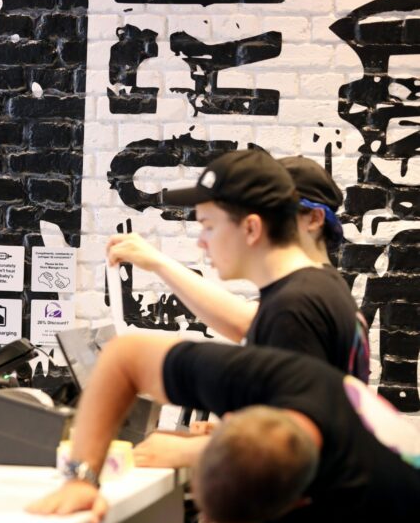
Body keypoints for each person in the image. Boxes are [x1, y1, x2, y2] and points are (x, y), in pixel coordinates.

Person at [27, 334, 420, 523]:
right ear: (230, 418)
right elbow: (123, 356)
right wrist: (82, 477)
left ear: (301, 502)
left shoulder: (369, 510)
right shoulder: (279, 378)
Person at [107, 150, 368, 380]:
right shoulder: (308, 293)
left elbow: (292, 431)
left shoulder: (299, 302)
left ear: (314, 219)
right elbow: (246, 322)